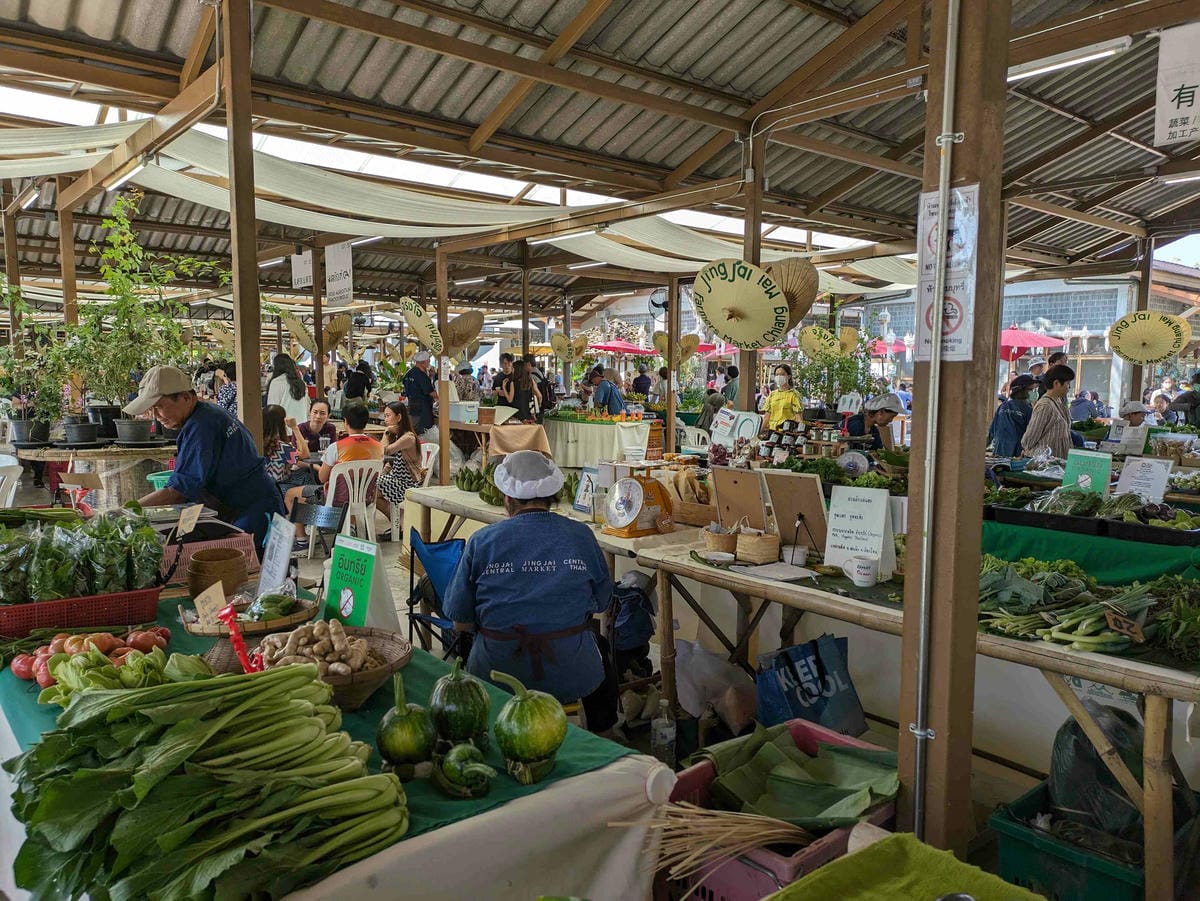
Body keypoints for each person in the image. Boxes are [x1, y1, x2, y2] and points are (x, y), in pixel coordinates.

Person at [443, 451, 617, 731]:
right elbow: (601, 603)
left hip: (497, 675)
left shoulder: (482, 541)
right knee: (601, 648)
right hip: (571, 674)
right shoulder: (581, 535)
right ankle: (603, 732)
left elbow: (460, 622)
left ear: (507, 500)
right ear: (553, 497)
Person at [128, 366, 283, 549]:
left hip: (254, 511)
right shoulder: (208, 414)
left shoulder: (202, 426)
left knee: (255, 571)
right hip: (247, 506)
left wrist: (127, 510)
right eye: (151, 409)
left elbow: (178, 491)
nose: (156, 416)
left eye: (159, 407)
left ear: (186, 397)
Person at [286, 403, 383, 544]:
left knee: (290, 495)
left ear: (345, 422)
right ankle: (350, 526)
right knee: (349, 494)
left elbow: (322, 478)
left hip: (336, 500)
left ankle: (301, 540)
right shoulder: (378, 447)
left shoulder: (337, 447)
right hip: (365, 498)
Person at [375, 401, 423, 535]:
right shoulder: (398, 436)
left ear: (399, 417)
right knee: (372, 488)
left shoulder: (408, 437)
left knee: (372, 490)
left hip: (407, 483)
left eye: (388, 416)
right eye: (384, 416)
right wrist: (381, 474)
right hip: (395, 479)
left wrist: (386, 434)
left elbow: (384, 451)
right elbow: (390, 463)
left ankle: (399, 522)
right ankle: (399, 521)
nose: (386, 420)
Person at [1021, 363, 1075, 458]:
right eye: (1068, 383)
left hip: (1056, 463)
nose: (1069, 387)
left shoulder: (1060, 402)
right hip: (1043, 465)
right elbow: (1029, 439)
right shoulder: (1045, 405)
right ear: (1056, 383)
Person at [987, 374, 1037, 457]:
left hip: (999, 452)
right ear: (1022, 391)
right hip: (1017, 454)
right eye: (1031, 390)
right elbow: (1031, 435)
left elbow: (992, 432)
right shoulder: (1027, 410)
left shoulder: (1003, 406)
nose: (1033, 393)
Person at [261, 405, 300, 485]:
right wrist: (294, 428)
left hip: (262, 486)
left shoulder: (256, 442)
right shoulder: (280, 447)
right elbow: (305, 455)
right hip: (279, 489)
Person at [266, 354, 310, 424]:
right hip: (302, 426)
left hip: (285, 428)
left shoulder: (277, 382)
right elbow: (307, 406)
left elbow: (272, 408)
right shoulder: (301, 383)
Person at [402, 351, 438, 435]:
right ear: (422, 362)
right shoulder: (421, 375)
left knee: (414, 430)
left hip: (412, 406)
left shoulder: (409, 373)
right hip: (422, 408)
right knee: (423, 432)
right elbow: (431, 392)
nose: (429, 363)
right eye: (428, 361)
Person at [762, 363, 801, 429]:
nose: (779, 377)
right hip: (772, 431)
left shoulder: (794, 395)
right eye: (777, 375)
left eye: (782, 374)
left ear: (789, 376)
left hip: (786, 432)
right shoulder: (772, 395)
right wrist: (759, 432)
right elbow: (766, 417)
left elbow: (798, 417)